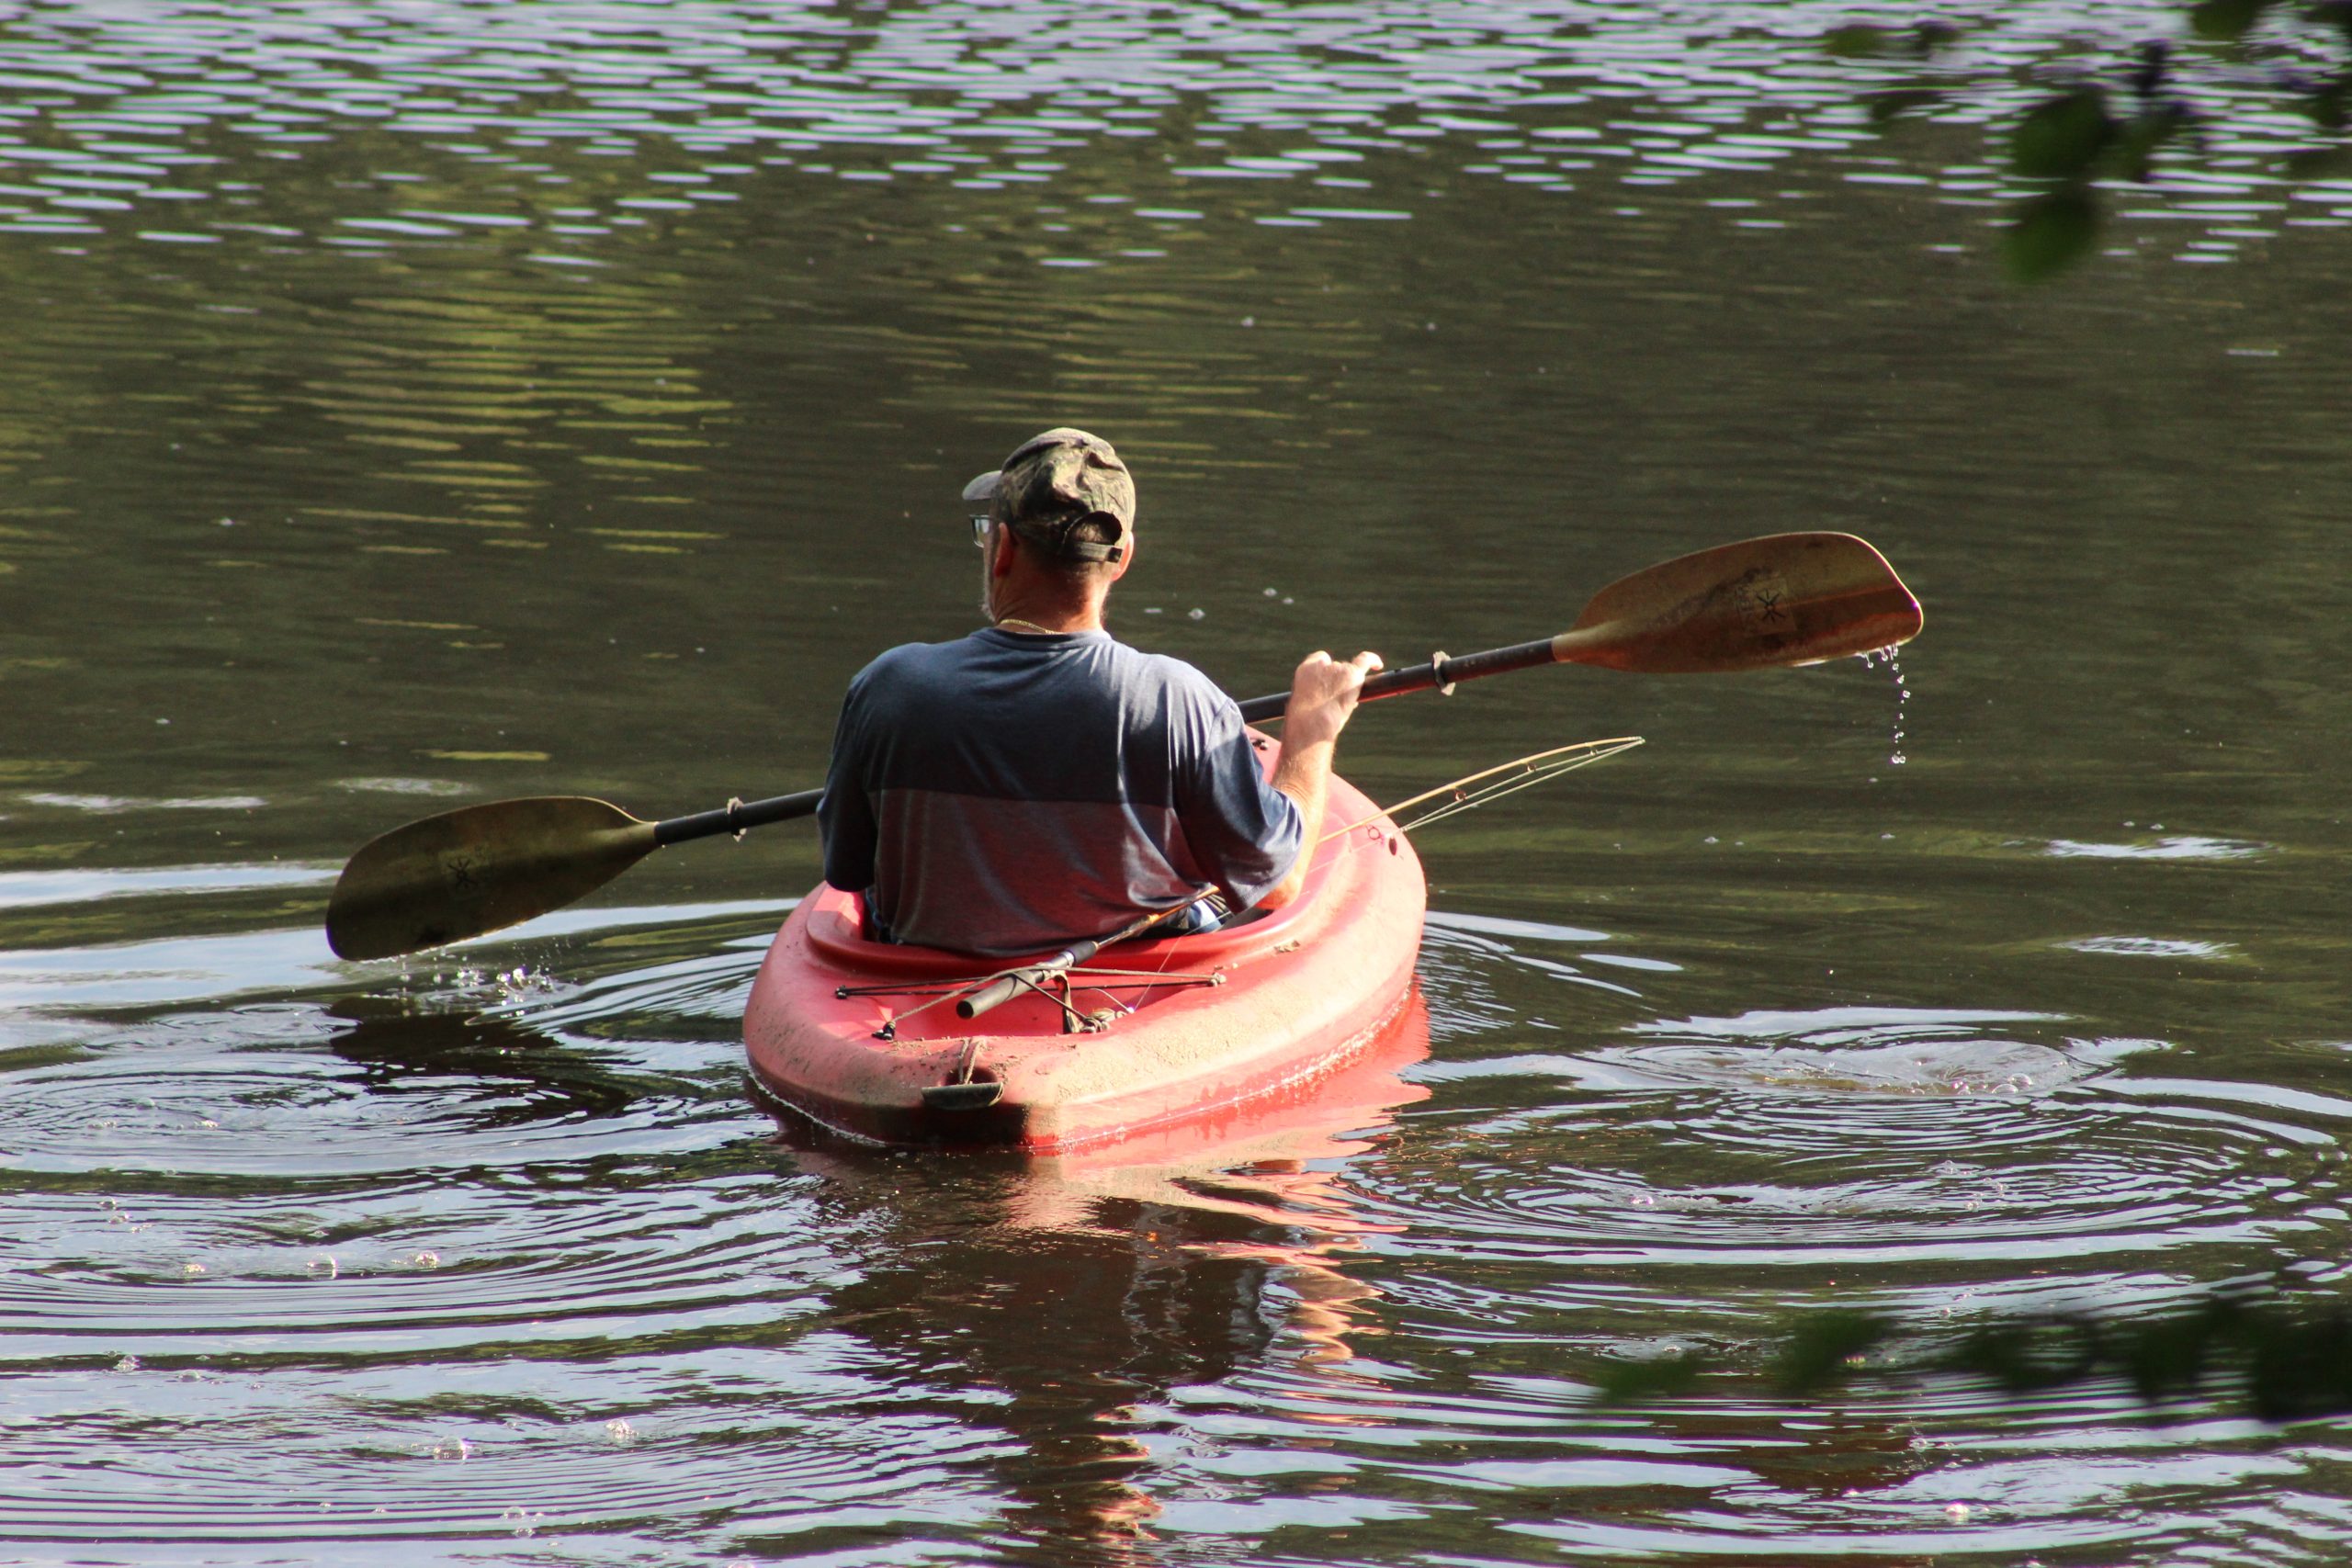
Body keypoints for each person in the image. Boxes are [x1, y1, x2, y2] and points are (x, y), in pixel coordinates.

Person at [817, 426, 1382, 957]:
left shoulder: (888, 687)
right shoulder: (1176, 699)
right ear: (1123, 559)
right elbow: (1276, 885)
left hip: (913, 993)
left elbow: (846, 871)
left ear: (1005, 548)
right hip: (1123, 998)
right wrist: (1309, 733)